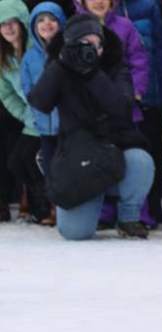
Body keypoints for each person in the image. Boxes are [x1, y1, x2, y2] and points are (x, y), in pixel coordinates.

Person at [28, 13, 154, 239]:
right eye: (84, 44)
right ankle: (92, 202)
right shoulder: (60, 69)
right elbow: (39, 102)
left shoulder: (116, 67)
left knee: (140, 161)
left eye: (96, 44)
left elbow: (122, 110)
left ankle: (128, 217)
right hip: (78, 155)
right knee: (75, 233)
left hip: (114, 147)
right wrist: (60, 65)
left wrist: (93, 74)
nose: (92, 50)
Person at [0, 0, 52, 224]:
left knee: (36, 160)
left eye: (13, 22)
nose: (8, 28)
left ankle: (48, 204)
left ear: (22, 23)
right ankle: (40, 203)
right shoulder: (4, 57)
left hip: (52, 118)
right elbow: (6, 94)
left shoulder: (38, 50)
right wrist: (25, 115)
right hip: (32, 121)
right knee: (18, 161)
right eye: (2, 24)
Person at [121, 0, 162, 225]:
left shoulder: (149, 6)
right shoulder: (100, 6)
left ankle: (152, 206)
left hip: (150, 94)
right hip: (117, 97)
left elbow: (161, 48)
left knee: (154, 152)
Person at [21, 1, 66, 208]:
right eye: (40, 20)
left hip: (66, 126)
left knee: (67, 167)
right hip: (44, 127)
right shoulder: (30, 57)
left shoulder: (67, 51)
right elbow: (27, 87)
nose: (46, 24)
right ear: (33, 26)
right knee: (49, 169)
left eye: (52, 20)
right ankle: (55, 207)